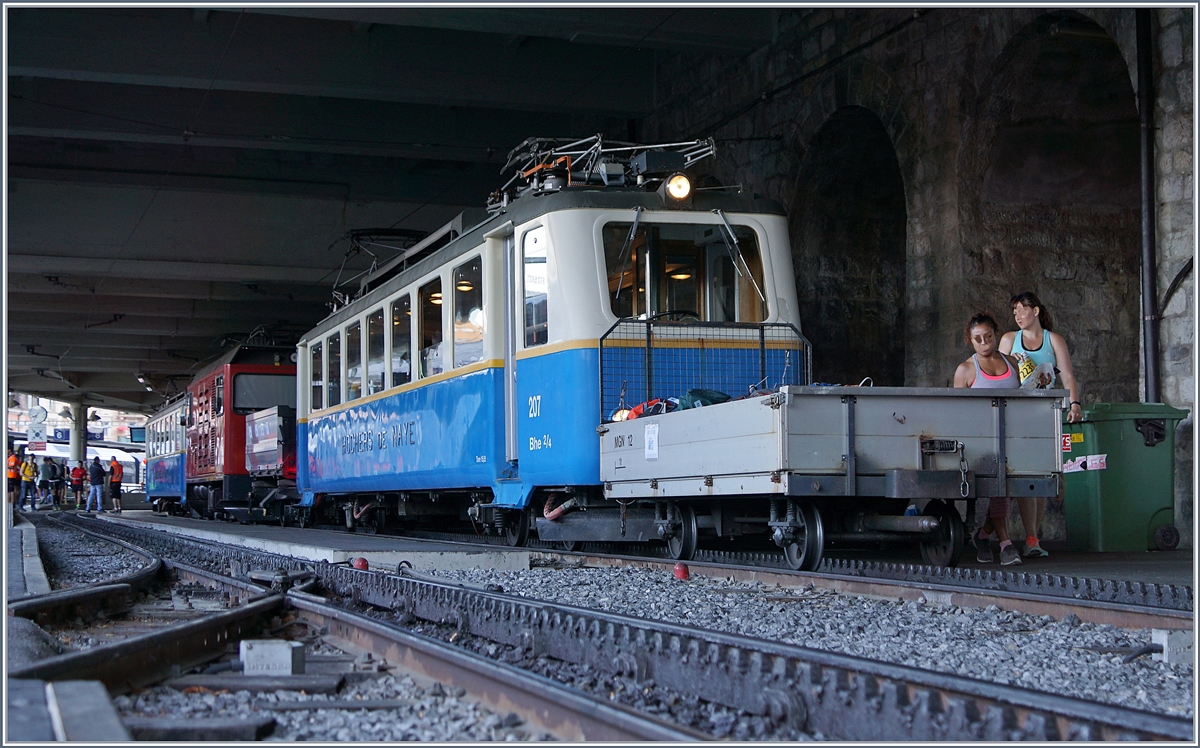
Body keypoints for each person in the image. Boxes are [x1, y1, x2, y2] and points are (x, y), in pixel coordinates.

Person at [999, 291, 1081, 558]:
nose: (1018, 315)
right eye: (1014, 311)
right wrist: (1014, 365)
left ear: (1035, 311)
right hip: (1017, 413)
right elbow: (996, 371)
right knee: (1023, 475)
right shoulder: (1010, 339)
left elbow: (1067, 374)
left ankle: (1033, 538)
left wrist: (1075, 403)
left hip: (1045, 413)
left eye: (1023, 310)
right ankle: (1010, 533)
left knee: (1043, 475)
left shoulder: (1053, 339)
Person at [954, 310, 1022, 566]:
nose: (984, 344)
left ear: (996, 334)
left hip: (1011, 436)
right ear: (970, 340)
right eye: (978, 339)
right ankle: (1005, 544)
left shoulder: (1012, 363)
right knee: (999, 486)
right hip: (982, 441)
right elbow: (958, 412)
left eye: (989, 337)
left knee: (1010, 488)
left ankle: (983, 536)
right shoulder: (965, 370)